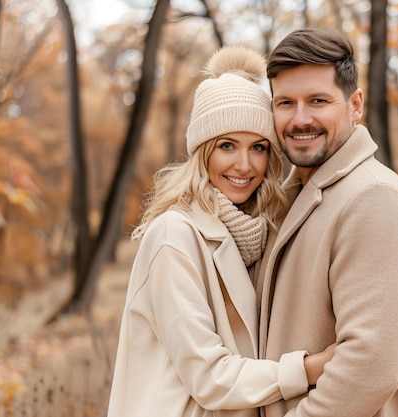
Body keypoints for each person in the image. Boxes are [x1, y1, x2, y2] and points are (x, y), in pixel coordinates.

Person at [107, 45, 333, 417]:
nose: (244, 165)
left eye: (258, 147)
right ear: (202, 152)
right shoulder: (174, 237)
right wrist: (312, 368)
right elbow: (209, 376)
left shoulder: (255, 233)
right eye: (227, 146)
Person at [255, 28, 398, 417]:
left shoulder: (374, 199)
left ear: (355, 105)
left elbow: (368, 368)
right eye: (285, 103)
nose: (299, 119)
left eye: (318, 101)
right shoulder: (293, 199)